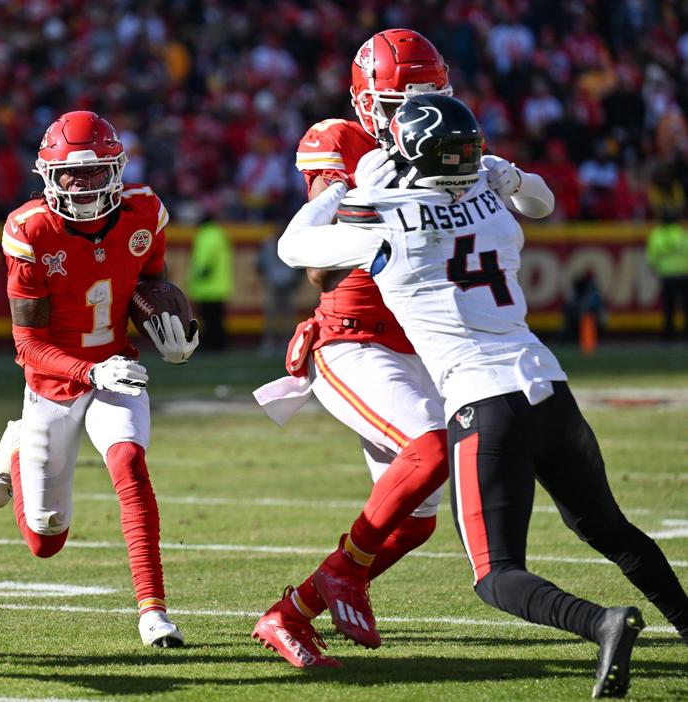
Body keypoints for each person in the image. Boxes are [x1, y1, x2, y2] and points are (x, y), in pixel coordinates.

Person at [279, 94, 688, 697]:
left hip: (484, 403)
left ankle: (600, 624)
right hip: (549, 386)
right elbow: (541, 200)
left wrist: (340, 191)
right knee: (610, 528)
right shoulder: (493, 204)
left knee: (496, 577)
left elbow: (295, 248)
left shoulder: (384, 217)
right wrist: (509, 173)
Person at [251, 28, 558, 669]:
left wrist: (502, 174)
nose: (408, 116)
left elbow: (539, 204)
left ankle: (289, 612)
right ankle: (346, 575)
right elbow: (317, 267)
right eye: (395, 103)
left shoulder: (447, 138)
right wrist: (371, 203)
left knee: (415, 518)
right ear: (367, 103)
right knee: (433, 447)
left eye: (424, 99)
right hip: (352, 339)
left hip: (423, 345)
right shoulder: (339, 142)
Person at [0, 111, 198, 647]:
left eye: (96, 172)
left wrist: (169, 331)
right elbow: (27, 344)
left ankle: (153, 610)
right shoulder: (30, 230)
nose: (82, 186)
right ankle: (14, 445)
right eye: (71, 176)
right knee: (45, 539)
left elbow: (152, 288)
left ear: (118, 170)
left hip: (116, 369)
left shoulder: (144, 213)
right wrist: (88, 368)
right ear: (47, 177)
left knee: (130, 462)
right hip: (52, 382)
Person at [186, 217, 233, 351]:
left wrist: (198, 276)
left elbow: (204, 260)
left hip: (207, 287)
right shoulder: (221, 234)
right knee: (217, 319)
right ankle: (220, 344)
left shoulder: (205, 236)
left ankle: (210, 345)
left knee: (208, 319)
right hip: (220, 285)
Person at [645, 210, 688, 341]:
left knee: (668, 309)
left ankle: (668, 336)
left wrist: (656, 268)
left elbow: (652, 257)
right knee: (686, 307)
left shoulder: (657, 235)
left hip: (667, 276)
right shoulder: (682, 233)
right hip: (684, 275)